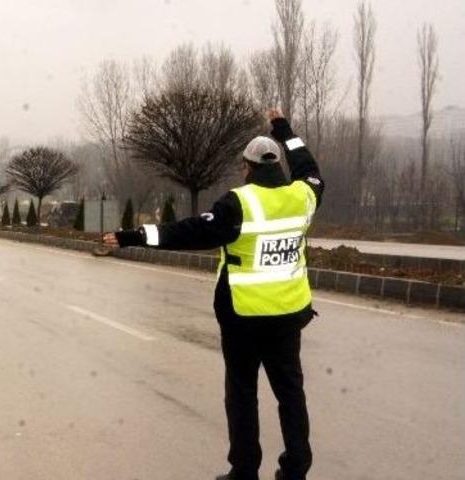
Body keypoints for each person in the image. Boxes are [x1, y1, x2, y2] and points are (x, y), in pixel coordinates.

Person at [104, 110, 323, 480]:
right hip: (289, 316)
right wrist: (283, 128)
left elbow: (188, 232)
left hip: (244, 319)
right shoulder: (304, 196)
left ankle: (244, 471)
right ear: (279, 164)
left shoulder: (238, 204)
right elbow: (307, 164)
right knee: (290, 395)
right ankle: (296, 468)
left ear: (246, 167)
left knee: (242, 396)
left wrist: (132, 237)